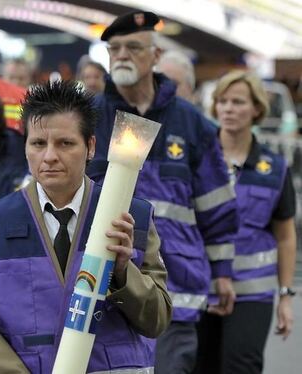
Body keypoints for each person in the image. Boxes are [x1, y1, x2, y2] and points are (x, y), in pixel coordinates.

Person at [0, 79, 172, 373]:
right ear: (25, 147)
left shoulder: (130, 217)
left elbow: (157, 319)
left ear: (90, 147)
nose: (49, 156)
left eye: (65, 143)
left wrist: (124, 273)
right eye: (38, 143)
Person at [85, 11, 239, 373]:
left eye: (134, 47)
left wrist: (223, 271)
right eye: (115, 48)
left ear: (155, 57)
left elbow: (215, 206)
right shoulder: (87, 118)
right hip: (102, 282)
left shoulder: (192, 123)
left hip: (176, 286)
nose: (122, 55)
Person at [194, 70, 297, 374]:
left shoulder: (274, 169)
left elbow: (286, 235)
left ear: (256, 109)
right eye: (222, 101)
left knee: (242, 366)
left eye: (237, 102)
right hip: (201, 284)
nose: (227, 108)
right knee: (199, 366)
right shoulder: (197, 160)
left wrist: (285, 296)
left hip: (253, 292)